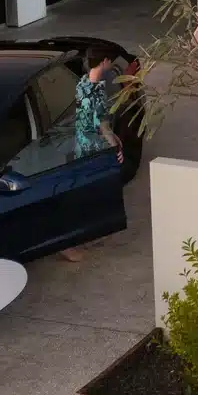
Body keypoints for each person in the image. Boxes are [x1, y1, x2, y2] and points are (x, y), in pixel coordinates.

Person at [59, 46, 129, 263]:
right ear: (105, 61)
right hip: (94, 147)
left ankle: (79, 237)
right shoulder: (97, 91)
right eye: (111, 63)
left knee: (86, 192)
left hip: (83, 142)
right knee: (86, 194)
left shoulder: (82, 83)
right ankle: (68, 243)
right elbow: (103, 126)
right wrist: (116, 147)